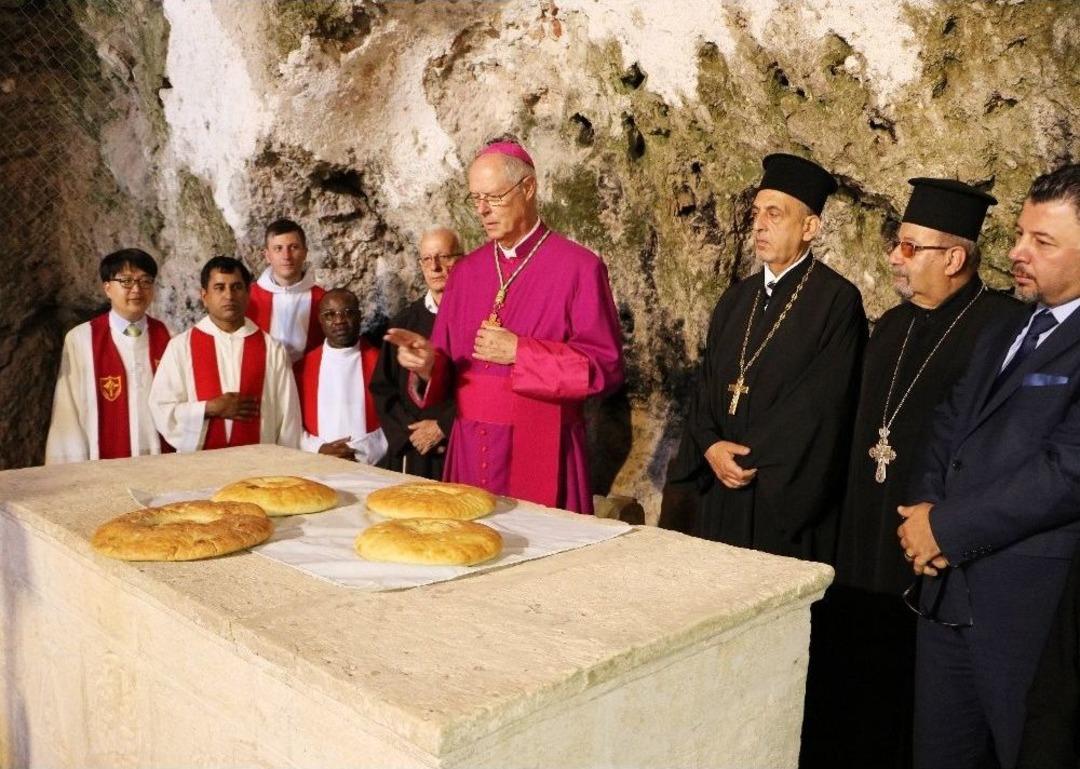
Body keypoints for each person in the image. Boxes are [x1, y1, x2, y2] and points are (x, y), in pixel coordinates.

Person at [801, 179, 1022, 769]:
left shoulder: (1001, 329)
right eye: (896, 244)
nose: (893, 258)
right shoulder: (892, 327)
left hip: (933, 548)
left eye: (908, 246)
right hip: (862, 543)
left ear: (953, 257)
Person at [899, 163, 1080, 769]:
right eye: (1021, 234)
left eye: (1042, 241)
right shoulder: (1010, 321)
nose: (1017, 252)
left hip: (1029, 612)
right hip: (946, 592)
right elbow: (949, 422)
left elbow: (1066, 473)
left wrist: (946, 530)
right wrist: (923, 512)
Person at [385, 136, 624, 514]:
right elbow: (450, 369)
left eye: (493, 197)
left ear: (528, 188)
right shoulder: (465, 272)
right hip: (469, 446)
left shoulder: (579, 268)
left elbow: (604, 369)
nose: (482, 210)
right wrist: (429, 364)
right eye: (475, 198)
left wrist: (521, 352)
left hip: (541, 442)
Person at [666, 152, 867, 561]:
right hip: (722, 487)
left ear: (810, 227)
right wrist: (710, 447)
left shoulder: (836, 302)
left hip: (779, 497)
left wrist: (750, 459)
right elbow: (705, 385)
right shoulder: (736, 298)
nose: (758, 224)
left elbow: (821, 407)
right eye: (757, 212)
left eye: (775, 214)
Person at [149, 256, 301, 452]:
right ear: (204, 296)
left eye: (236, 287)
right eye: (219, 288)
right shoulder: (181, 347)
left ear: (248, 293)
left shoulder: (272, 349)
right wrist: (210, 408)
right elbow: (162, 408)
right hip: (201, 467)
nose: (229, 296)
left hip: (260, 466)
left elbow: (288, 416)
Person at [45, 248, 173, 463]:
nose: (136, 289)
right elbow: (68, 409)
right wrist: (69, 471)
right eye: (126, 281)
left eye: (145, 281)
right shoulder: (81, 340)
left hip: (159, 458)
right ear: (107, 288)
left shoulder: (169, 336)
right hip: (100, 461)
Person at [370, 227, 460, 478]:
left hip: (458, 447)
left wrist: (444, 426)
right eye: (427, 259)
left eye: (444, 257)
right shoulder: (405, 322)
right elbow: (383, 389)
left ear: (461, 260)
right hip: (413, 452)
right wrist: (410, 435)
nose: (435, 267)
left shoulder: (477, 318)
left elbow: (482, 386)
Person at [295, 288, 387, 464]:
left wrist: (361, 451)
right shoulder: (302, 368)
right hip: (318, 464)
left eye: (348, 313)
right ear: (320, 320)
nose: (339, 321)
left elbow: (395, 421)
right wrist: (319, 449)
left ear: (360, 316)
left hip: (374, 465)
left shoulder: (382, 364)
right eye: (330, 315)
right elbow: (291, 423)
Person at [246, 218, 325, 363]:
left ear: (305, 252)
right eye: (278, 248)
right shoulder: (247, 298)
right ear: (268, 255)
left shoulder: (322, 299)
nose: (286, 256)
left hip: (305, 380)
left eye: (293, 247)